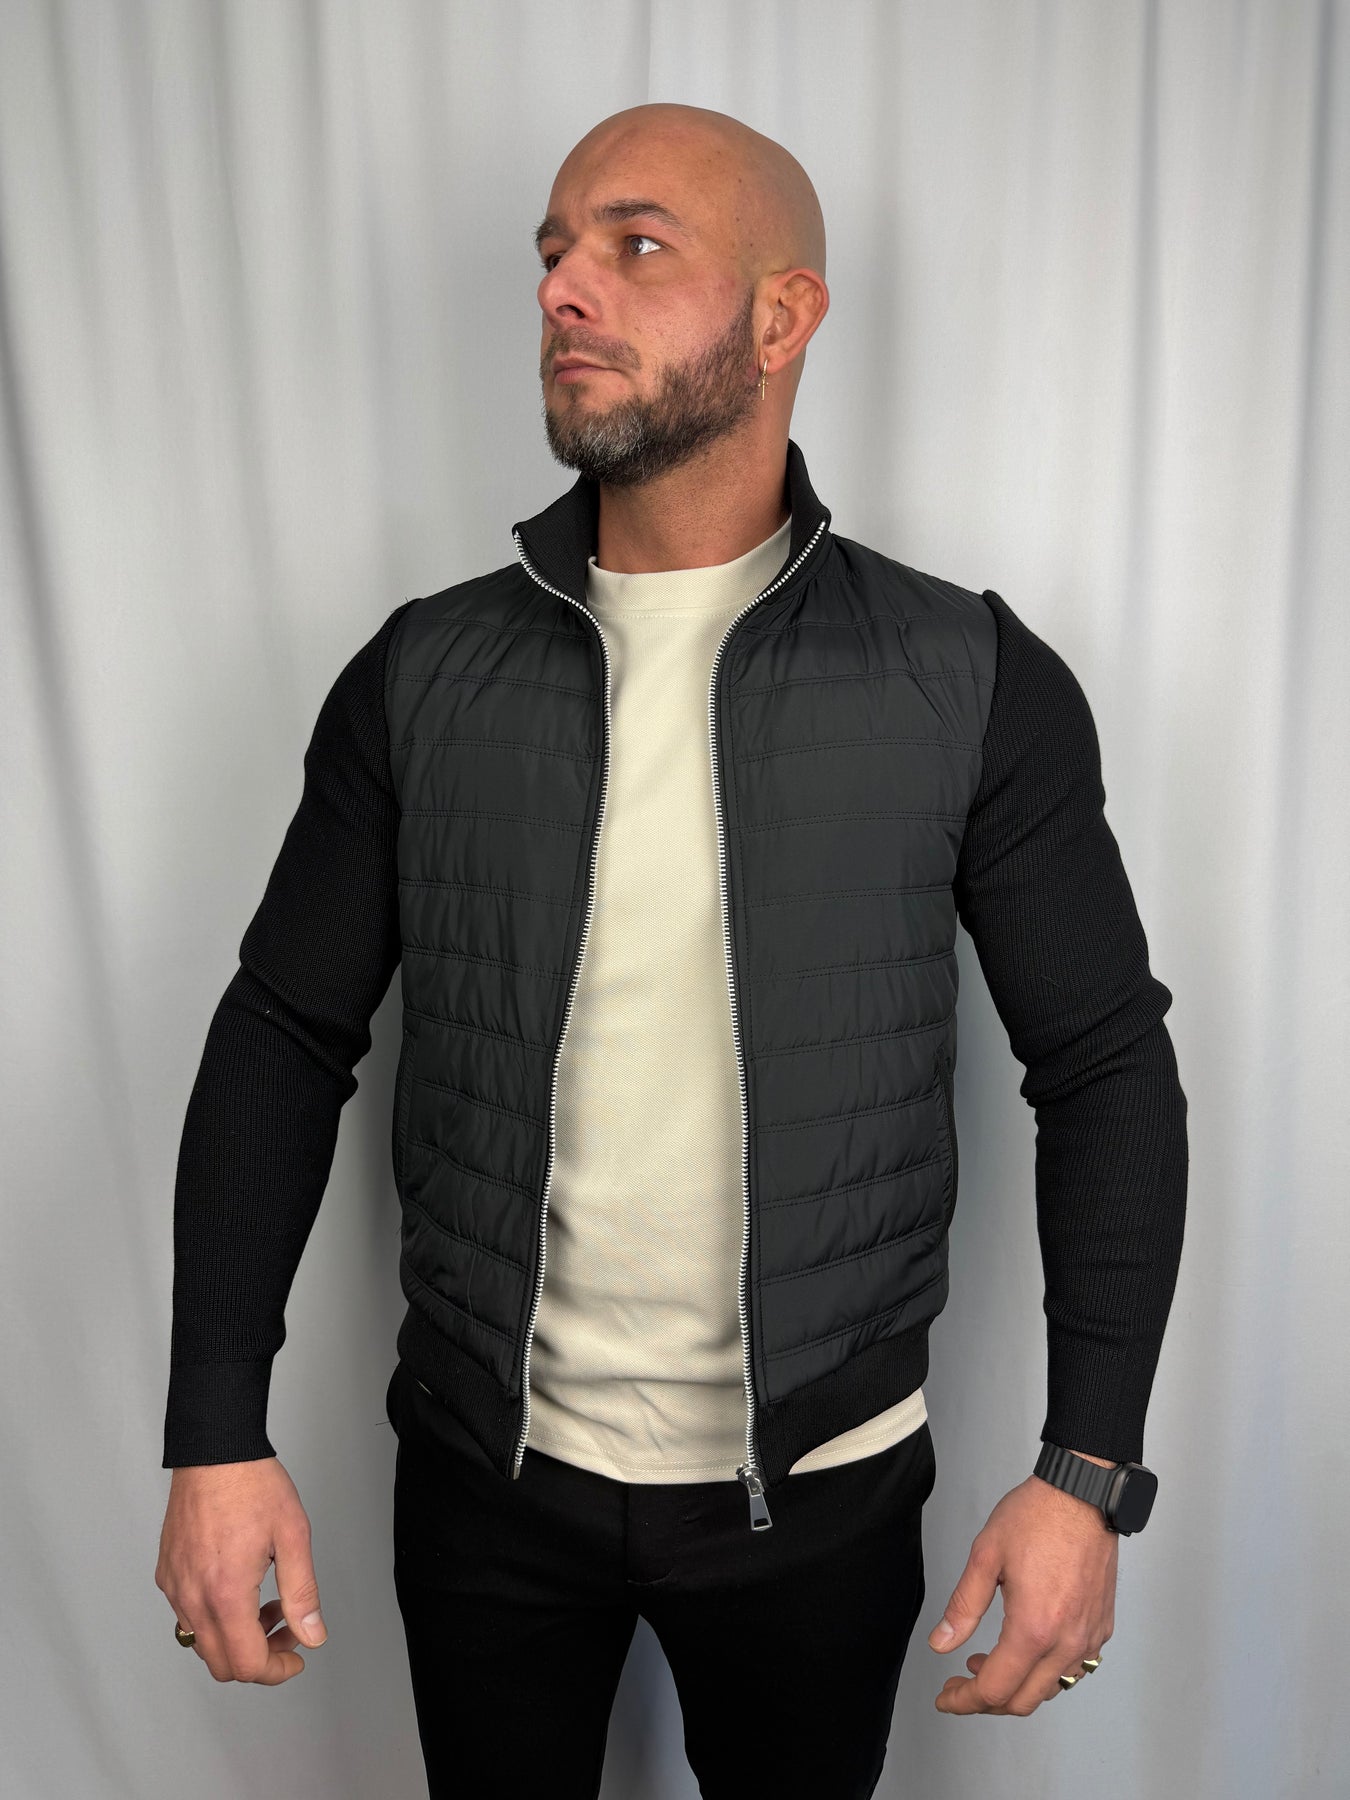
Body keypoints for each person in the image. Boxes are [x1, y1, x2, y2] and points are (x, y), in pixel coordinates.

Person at [155, 103, 1188, 1799]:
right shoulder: (422, 675)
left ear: (783, 318)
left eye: (635, 246)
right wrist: (212, 1429)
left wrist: (1087, 1474)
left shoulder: (966, 678)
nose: (564, 287)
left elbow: (1100, 1067)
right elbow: (280, 1034)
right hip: (483, 1479)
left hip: (824, 1495)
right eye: (554, 251)